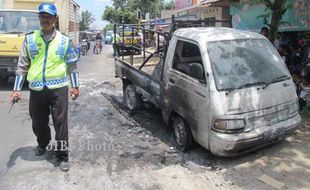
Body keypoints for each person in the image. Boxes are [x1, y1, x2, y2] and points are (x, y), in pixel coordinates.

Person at [9, 3, 79, 172]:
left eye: (48, 16)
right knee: (38, 121)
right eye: (42, 16)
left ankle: (62, 156)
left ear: (55, 19)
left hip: (59, 89)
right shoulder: (30, 39)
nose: (45, 19)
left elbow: (72, 65)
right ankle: (43, 143)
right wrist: (17, 89)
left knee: (61, 123)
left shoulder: (64, 40)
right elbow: (22, 65)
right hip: (37, 90)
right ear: (39, 18)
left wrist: (75, 86)